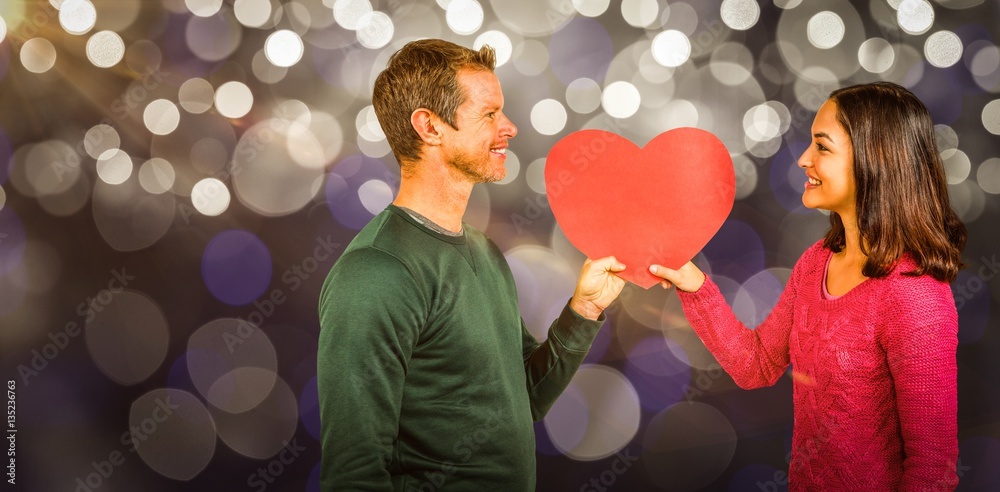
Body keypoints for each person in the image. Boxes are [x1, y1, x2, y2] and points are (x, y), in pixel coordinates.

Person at [317, 39, 627, 491]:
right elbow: (353, 474)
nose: (510, 128)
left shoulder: (483, 251)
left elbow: (525, 399)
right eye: (489, 114)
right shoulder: (375, 273)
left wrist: (582, 312)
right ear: (429, 126)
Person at [649, 82, 965, 490]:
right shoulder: (816, 262)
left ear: (877, 159)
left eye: (822, 147)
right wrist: (695, 286)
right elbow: (756, 364)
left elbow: (932, 469)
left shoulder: (915, 297)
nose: (803, 159)